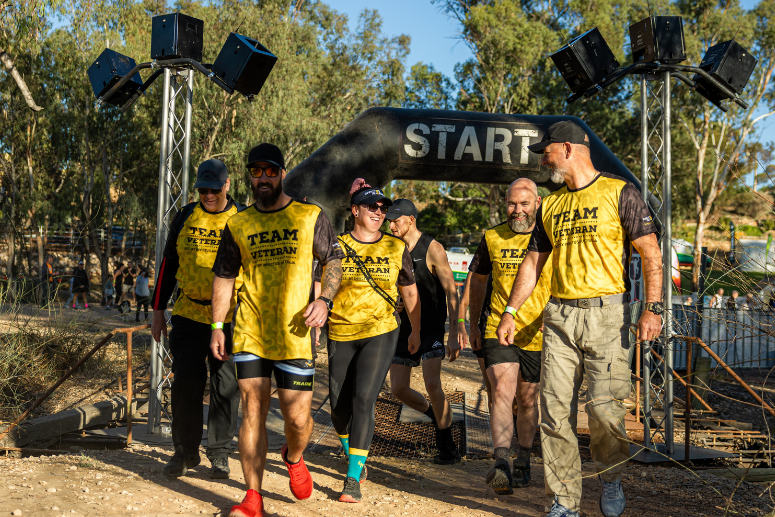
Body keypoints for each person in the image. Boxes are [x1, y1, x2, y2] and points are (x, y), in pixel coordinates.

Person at [496, 121, 663, 517]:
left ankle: (610, 477)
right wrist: (510, 311)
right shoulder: (550, 204)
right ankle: (565, 500)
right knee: (554, 413)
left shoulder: (620, 192)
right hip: (560, 316)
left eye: (547, 151)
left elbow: (651, 254)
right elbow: (533, 264)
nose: (543, 158)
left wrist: (652, 309)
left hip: (608, 316)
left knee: (605, 412)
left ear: (568, 149)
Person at [210, 144, 343, 517]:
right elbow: (223, 277)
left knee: (297, 419)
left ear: (282, 173)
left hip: (295, 333)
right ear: (249, 177)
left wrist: (325, 301)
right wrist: (218, 326)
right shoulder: (238, 224)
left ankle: (293, 455)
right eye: (257, 172)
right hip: (251, 331)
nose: (263, 178)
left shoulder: (309, 215)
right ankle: (253, 497)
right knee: (252, 406)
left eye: (271, 171)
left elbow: (332, 260)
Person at [327, 178, 420, 504]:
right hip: (340, 331)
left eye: (383, 207)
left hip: (381, 330)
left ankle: (353, 476)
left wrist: (416, 331)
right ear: (355, 211)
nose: (380, 212)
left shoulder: (396, 248)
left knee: (364, 398)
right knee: (338, 407)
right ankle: (351, 450)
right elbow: (320, 288)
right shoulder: (335, 245)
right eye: (372, 207)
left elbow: (409, 292)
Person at [152, 159, 244, 481]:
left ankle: (219, 454)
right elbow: (168, 264)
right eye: (202, 189)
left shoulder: (243, 218)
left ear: (227, 185)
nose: (207, 195)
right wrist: (157, 309)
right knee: (186, 382)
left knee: (225, 386)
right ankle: (185, 451)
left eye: (213, 189)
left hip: (230, 318)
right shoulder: (186, 215)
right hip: (188, 313)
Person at [469, 178, 551, 494]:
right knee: (503, 388)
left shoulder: (553, 238)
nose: (516, 210)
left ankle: (524, 459)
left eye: (524, 204)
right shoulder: (492, 237)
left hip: (537, 331)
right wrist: (474, 324)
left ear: (538, 203)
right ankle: (501, 461)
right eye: (511, 204)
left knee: (528, 400)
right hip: (498, 327)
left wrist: (553, 314)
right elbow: (477, 282)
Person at [386, 198, 462, 465]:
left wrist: (455, 331)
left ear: (411, 219)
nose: (392, 225)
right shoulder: (391, 247)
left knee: (432, 384)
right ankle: (435, 415)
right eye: (389, 221)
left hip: (430, 328)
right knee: (398, 389)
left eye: (396, 221)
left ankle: (447, 446)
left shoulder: (433, 248)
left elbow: (452, 292)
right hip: (403, 329)